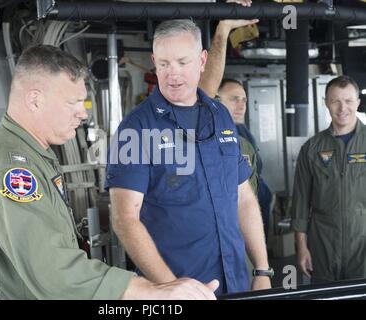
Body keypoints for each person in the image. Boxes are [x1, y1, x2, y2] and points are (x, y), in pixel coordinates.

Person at [0, 44, 219, 300]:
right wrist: (153, 292)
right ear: (34, 100)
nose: (83, 113)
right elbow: (54, 272)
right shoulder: (12, 169)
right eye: (73, 102)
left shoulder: (34, 155)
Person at [106, 19, 271, 295]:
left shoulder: (220, 116)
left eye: (183, 62)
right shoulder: (136, 129)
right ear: (154, 62)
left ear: (202, 60)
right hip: (175, 288)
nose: (173, 74)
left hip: (237, 283)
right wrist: (172, 287)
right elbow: (125, 218)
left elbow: (243, 198)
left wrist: (262, 269)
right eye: (164, 64)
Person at [291, 75, 366, 284]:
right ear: (326, 103)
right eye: (335, 101)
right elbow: (300, 203)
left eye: (349, 101)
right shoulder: (311, 149)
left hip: (362, 245)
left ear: (358, 103)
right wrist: (302, 247)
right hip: (323, 245)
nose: (343, 108)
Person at [216, 79, 273, 238]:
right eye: (234, 99)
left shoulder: (241, 130)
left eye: (244, 100)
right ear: (216, 99)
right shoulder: (215, 134)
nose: (241, 105)